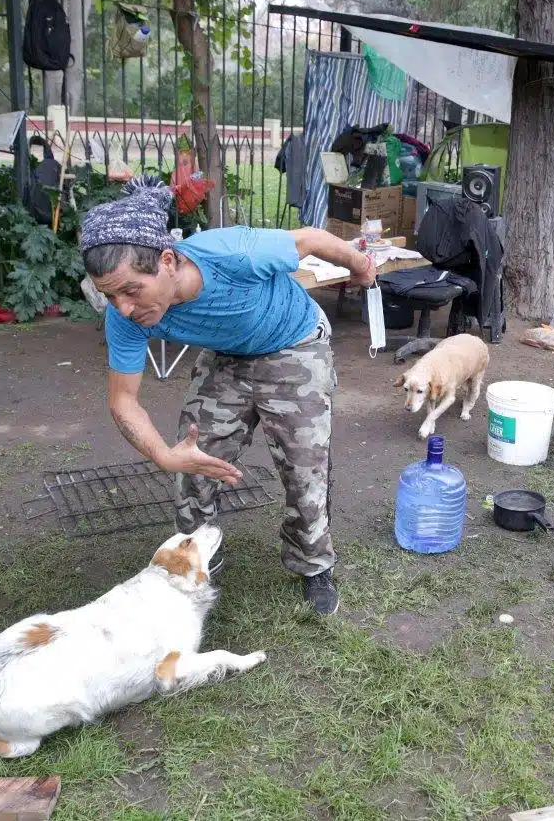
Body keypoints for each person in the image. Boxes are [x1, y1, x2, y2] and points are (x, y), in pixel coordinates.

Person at [78, 180, 375, 615]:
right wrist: (163, 454)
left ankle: (312, 564)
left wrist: (361, 266)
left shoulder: (234, 253)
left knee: (303, 465)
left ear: (166, 261)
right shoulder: (126, 317)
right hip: (227, 355)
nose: (122, 308)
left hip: (293, 342)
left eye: (131, 291)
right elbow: (123, 400)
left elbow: (310, 239)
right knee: (193, 456)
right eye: (109, 296)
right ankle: (197, 558)